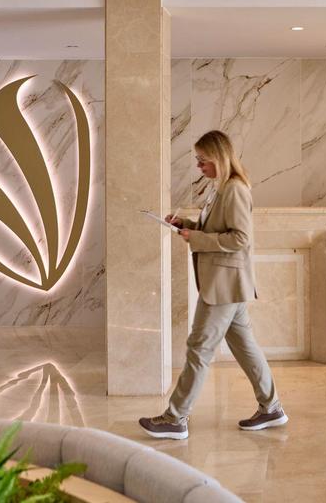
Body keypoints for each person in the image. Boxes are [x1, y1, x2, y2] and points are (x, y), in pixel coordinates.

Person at [139, 130, 286, 440]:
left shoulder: (234, 189)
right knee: (245, 347)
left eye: (203, 161)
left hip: (224, 283)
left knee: (199, 348)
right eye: (198, 160)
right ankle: (271, 407)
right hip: (225, 282)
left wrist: (198, 239)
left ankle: (175, 418)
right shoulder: (220, 189)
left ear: (219, 158)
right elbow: (218, 229)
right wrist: (187, 226)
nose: (199, 167)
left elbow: (240, 239)